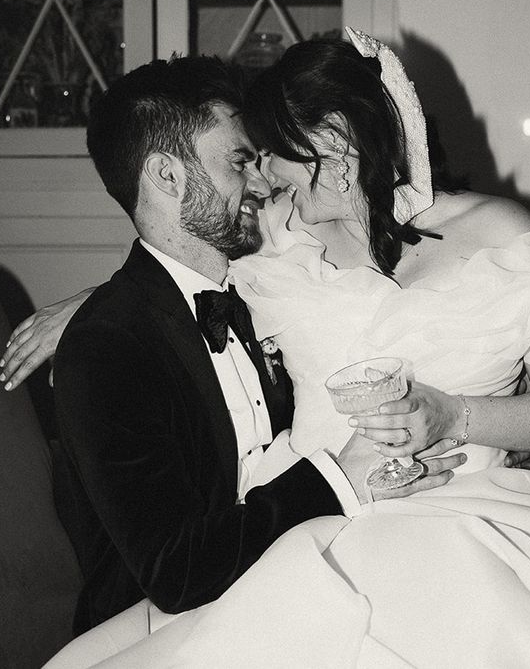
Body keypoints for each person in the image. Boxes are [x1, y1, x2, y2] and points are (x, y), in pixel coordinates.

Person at [1, 32, 530, 667]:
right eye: (249, 160)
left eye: (269, 155)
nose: (261, 178)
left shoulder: (505, 235)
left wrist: (455, 416)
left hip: (478, 510)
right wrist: (93, 306)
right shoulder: (281, 238)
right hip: (313, 519)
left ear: (333, 146)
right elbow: (181, 259)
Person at [26, 53, 465, 668]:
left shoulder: (265, 290)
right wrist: (341, 477)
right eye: (238, 162)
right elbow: (177, 572)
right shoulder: (106, 349)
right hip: (169, 627)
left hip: (301, 571)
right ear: (167, 175)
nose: (262, 183)